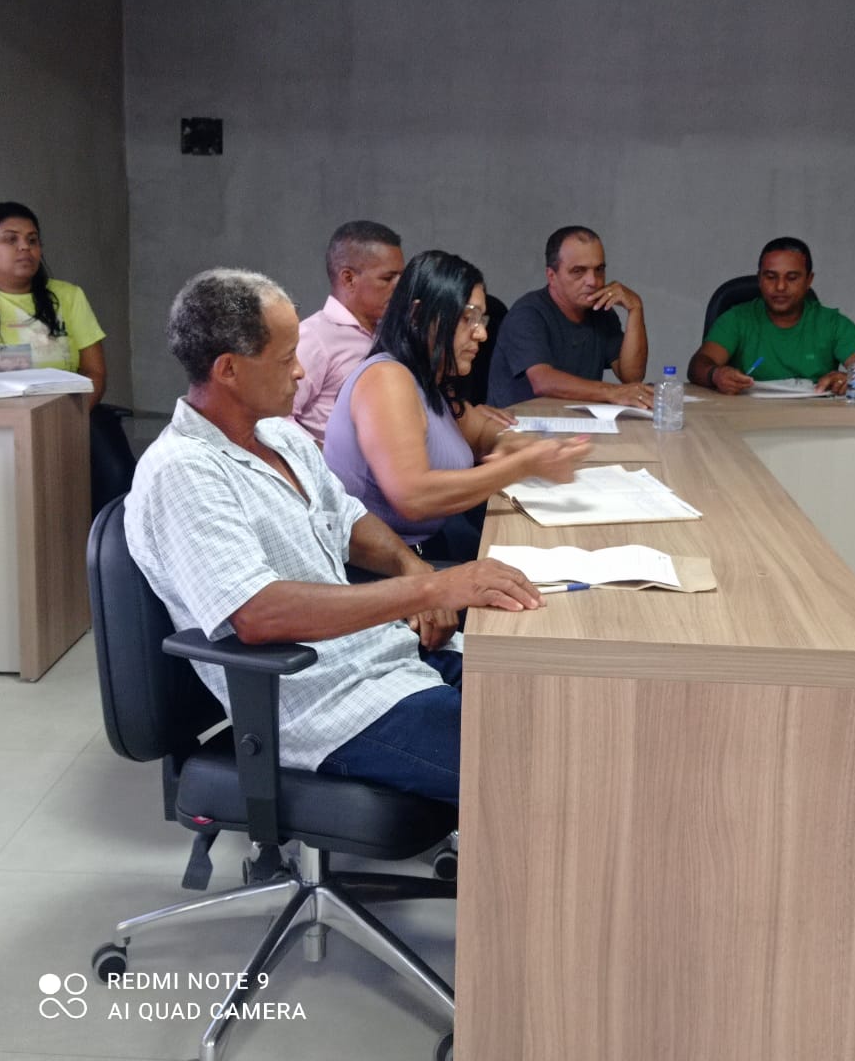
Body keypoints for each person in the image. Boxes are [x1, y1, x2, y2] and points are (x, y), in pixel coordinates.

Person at [124, 268, 542, 806]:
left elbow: (348, 521)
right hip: (325, 704)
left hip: (379, 657)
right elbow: (258, 614)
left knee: (549, 704)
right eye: (285, 359)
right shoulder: (183, 471)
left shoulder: (280, 436)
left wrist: (412, 566)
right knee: (530, 768)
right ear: (228, 369)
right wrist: (432, 588)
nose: (301, 371)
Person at [323, 250, 590, 561]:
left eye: (482, 319)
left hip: (427, 547)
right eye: (468, 318)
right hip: (390, 568)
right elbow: (413, 497)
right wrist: (522, 465)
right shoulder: (386, 379)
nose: (482, 333)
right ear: (418, 315)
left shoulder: (428, 379)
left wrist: (514, 444)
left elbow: (480, 433)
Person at [687, 236, 855, 396]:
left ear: (809, 280)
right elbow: (699, 364)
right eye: (771, 277)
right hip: (746, 420)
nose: (780, 287)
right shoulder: (737, 319)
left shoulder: (831, 323)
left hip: (813, 424)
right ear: (759, 279)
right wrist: (716, 375)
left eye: (792, 277)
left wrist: (853, 379)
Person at [486, 225, 654, 409]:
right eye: (578, 271)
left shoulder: (602, 312)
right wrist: (612, 392)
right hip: (521, 423)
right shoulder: (527, 313)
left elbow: (632, 377)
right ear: (552, 276)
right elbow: (543, 382)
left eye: (599, 269)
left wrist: (635, 308)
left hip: (575, 422)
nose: (593, 281)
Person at [293, 220, 405, 444]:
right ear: (349, 278)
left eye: (402, 277)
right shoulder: (314, 338)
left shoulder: (392, 334)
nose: (400, 287)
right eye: (387, 278)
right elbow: (276, 417)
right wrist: (322, 454)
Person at [0, 202, 106, 406]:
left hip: (63, 418)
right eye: (11, 239)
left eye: (32, 240)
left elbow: (95, 372)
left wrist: (66, 418)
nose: (25, 246)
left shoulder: (69, 296)